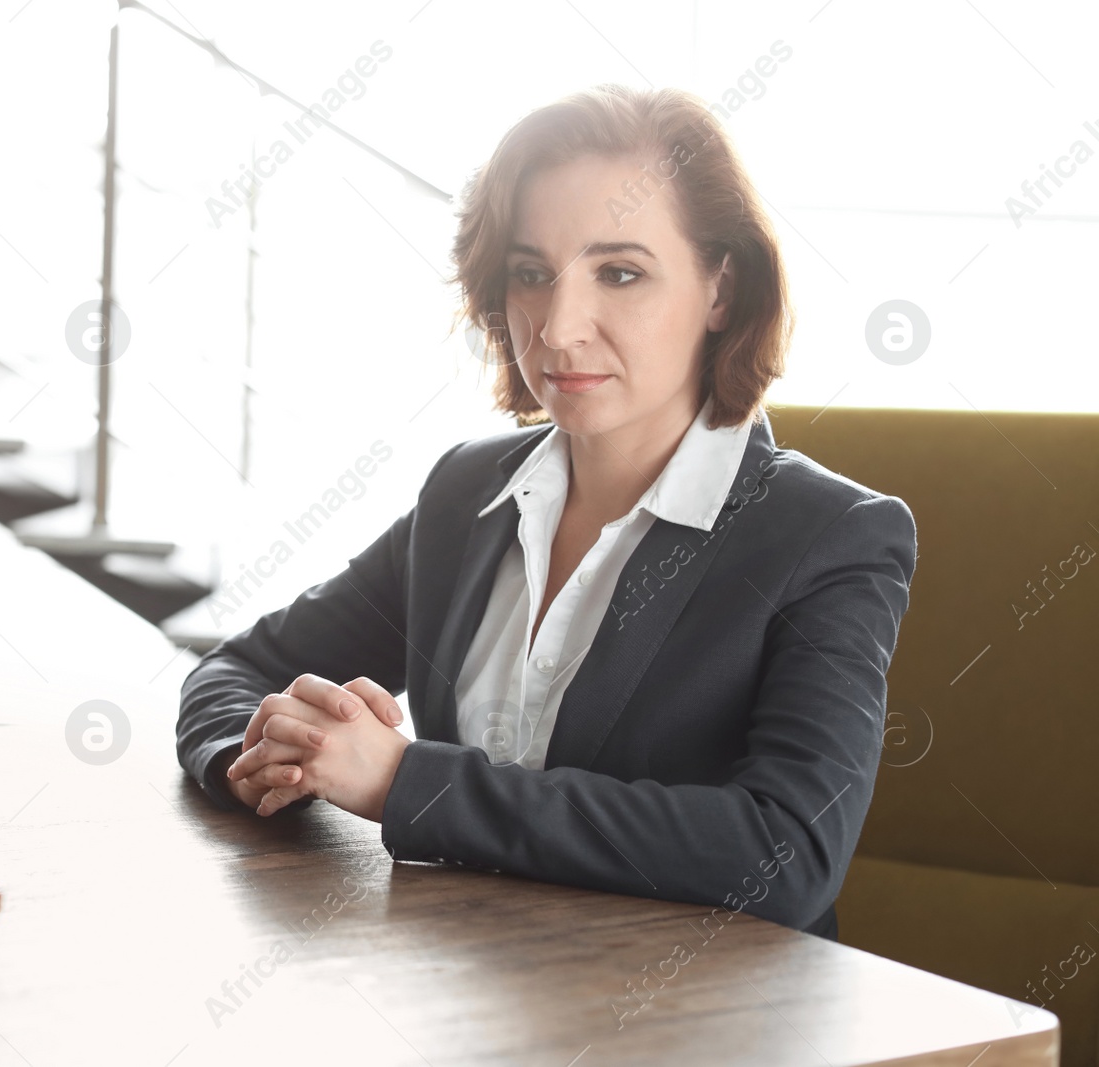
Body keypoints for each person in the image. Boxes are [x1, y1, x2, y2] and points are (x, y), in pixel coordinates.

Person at [175, 83, 917, 939]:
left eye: (621, 272)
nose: (559, 328)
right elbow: (235, 672)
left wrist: (405, 782)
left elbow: (785, 852)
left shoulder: (829, 537)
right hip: (470, 991)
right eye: (532, 274)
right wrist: (257, 756)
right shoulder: (467, 493)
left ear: (722, 286)